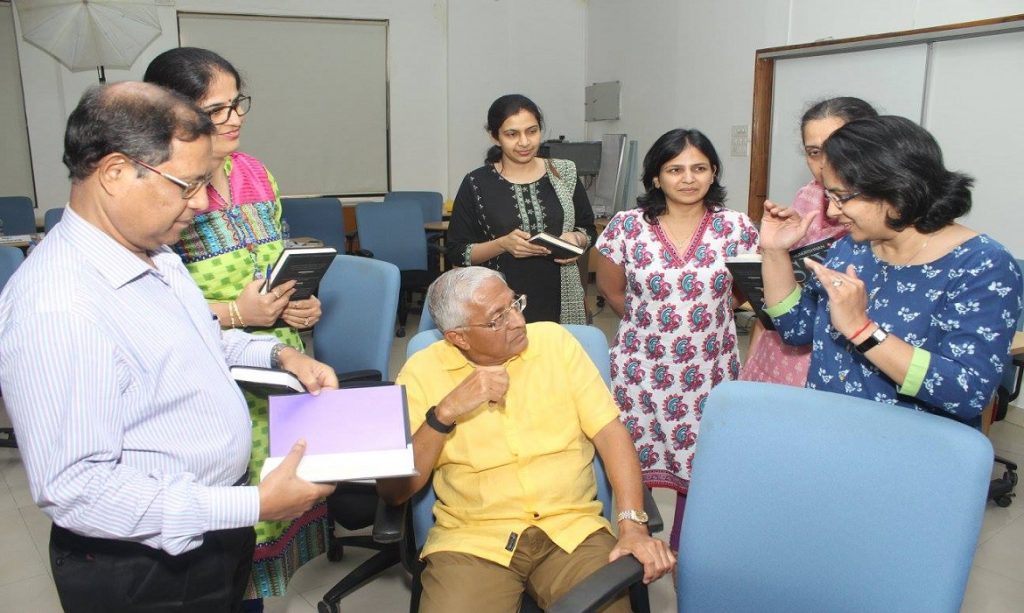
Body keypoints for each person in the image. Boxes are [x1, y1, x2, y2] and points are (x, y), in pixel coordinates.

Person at [0, 82, 337, 613]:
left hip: (209, 528)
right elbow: (77, 488)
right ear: (114, 173)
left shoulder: (153, 253)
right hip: (144, 563)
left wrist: (280, 355)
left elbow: (197, 340)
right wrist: (255, 501)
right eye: (188, 185)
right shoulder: (58, 306)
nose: (201, 204)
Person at [377, 267, 674, 613]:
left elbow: (611, 434)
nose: (517, 321)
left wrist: (632, 524)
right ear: (458, 337)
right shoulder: (421, 370)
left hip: (572, 531)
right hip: (473, 542)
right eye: (496, 319)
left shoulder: (556, 344)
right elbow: (393, 492)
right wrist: (444, 413)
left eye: (514, 304)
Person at [144, 47, 328, 603]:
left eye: (237, 104)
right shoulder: (161, 190)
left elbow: (273, 267)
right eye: (215, 109)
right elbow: (146, 315)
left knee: (279, 496)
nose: (234, 119)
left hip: (279, 361)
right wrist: (235, 315)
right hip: (209, 375)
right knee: (228, 520)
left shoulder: (255, 173)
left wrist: (299, 305)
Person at [760, 115, 1023, 428]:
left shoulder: (981, 265)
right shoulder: (853, 247)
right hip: (829, 430)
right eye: (828, 197)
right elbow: (795, 328)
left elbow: (966, 392)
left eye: (841, 197)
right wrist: (774, 253)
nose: (831, 211)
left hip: (907, 449)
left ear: (897, 188)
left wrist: (862, 330)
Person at [594, 129, 759, 552]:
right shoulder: (627, 226)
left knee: (703, 466)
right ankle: (635, 546)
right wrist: (652, 325)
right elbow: (612, 289)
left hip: (710, 371)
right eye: (675, 169)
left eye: (699, 168)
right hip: (641, 371)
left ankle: (689, 551)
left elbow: (742, 290)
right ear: (655, 178)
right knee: (628, 458)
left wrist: (706, 311)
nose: (688, 178)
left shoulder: (735, 227)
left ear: (714, 172)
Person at [740, 96, 878, 386]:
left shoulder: (887, 219)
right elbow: (775, 293)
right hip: (784, 345)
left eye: (837, 147)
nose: (825, 163)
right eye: (814, 152)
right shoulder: (808, 197)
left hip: (850, 360)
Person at [446, 94, 596, 324]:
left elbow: (588, 229)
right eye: (512, 134)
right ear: (494, 137)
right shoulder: (476, 183)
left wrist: (576, 239)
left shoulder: (564, 173)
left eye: (532, 131)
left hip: (561, 299)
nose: (524, 142)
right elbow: (457, 251)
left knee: (557, 357)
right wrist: (502, 244)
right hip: (499, 301)